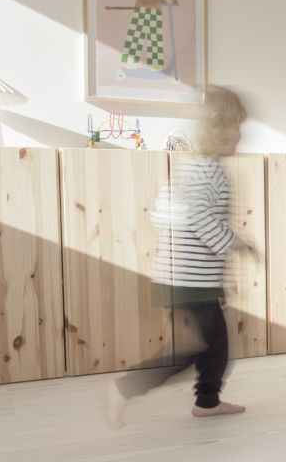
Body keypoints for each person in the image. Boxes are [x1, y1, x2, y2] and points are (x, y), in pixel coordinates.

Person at [106, 86, 253, 427]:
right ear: (216, 131)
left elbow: (160, 212)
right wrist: (235, 243)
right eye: (235, 127)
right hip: (191, 281)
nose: (240, 134)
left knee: (213, 346)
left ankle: (207, 402)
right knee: (203, 348)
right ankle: (124, 388)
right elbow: (198, 217)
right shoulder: (211, 173)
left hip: (178, 276)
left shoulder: (191, 170)